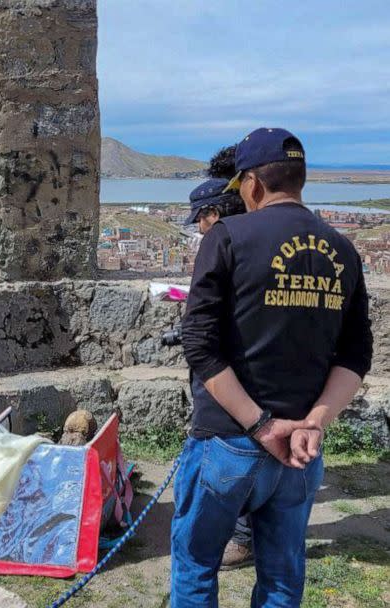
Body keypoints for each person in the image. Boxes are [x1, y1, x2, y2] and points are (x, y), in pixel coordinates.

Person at [171, 127, 372, 607]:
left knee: (197, 564)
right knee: (282, 576)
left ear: (253, 184)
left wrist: (260, 424)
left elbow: (199, 343)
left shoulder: (227, 237)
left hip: (228, 438)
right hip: (302, 449)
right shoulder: (342, 250)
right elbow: (355, 354)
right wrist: (313, 423)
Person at [185, 148, 254, 570]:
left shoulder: (228, 242)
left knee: (234, 444)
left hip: (230, 365)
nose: (197, 226)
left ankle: (240, 536)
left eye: (200, 216)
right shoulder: (250, 240)